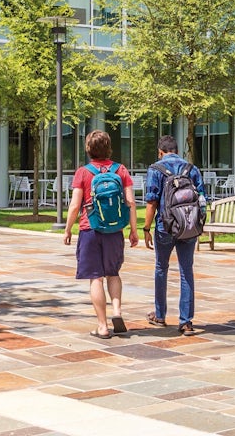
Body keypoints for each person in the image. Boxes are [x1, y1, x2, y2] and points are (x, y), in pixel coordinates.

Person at [63, 129, 138, 340]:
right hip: (115, 230)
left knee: (95, 278)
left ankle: (103, 326)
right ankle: (117, 312)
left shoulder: (83, 172)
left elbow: (75, 204)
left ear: (88, 149)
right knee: (113, 273)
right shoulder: (120, 170)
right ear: (109, 147)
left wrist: (68, 229)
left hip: (90, 229)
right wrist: (133, 230)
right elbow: (131, 203)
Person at [144, 135, 206, 336]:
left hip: (165, 226)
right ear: (176, 150)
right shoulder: (191, 169)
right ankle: (186, 321)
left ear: (160, 151)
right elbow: (202, 199)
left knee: (161, 267)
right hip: (188, 226)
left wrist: (146, 228)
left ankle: (160, 315)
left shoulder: (156, 169)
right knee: (186, 270)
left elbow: (152, 202)